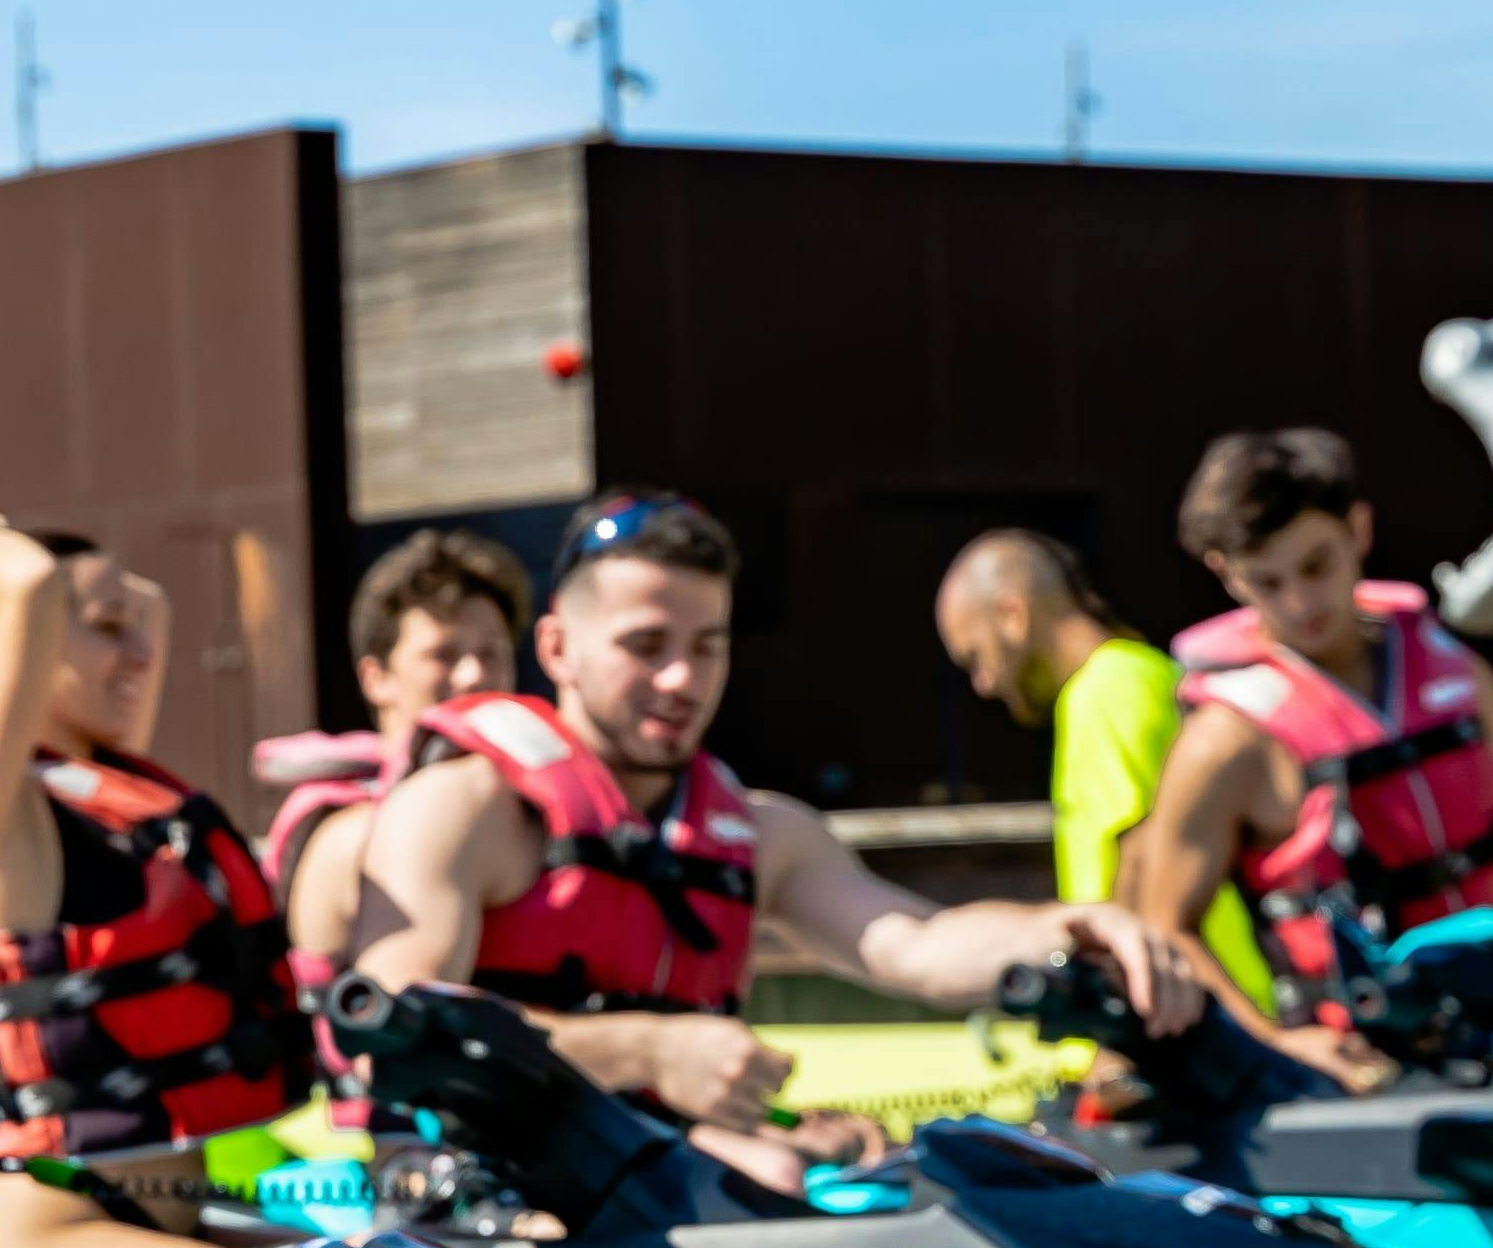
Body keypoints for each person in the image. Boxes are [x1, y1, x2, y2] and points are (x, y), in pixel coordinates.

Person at [336, 487, 1210, 1186]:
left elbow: (918, 945)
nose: (681, 679)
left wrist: (1072, 928)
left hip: (657, 1201)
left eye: (707, 646)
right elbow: (388, 1035)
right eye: (646, 645)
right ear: (558, 648)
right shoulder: (464, 809)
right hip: (484, 1224)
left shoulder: (760, 832)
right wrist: (648, 1051)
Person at [0, 511, 303, 1248]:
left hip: (167, 1222)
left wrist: (110, 597)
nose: (140, 649)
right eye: (109, 627)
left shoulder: (105, 785)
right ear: (31, 641)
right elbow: (32, 587)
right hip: (60, 1236)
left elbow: (151, 605)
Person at [1123, 424, 1493, 1066]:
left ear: (1358, 530)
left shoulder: (1458, 675)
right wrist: (1277, 1045)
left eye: (1316, 565)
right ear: (1226, 575)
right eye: (1268, 582)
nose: (1300, 602)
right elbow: (1164, 928)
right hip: (1367, 1066)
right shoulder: (1223, 742)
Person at [929, 527, 1271, 1003]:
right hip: (1203, 1005)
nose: (983, 683)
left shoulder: (1105, 689)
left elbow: (1134, 858)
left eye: (975, 657)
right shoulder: (1135, 672)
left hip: (1186, 1014)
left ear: (1012, 615)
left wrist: (1110, 1019)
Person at [264, 529, 531, 1034]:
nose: (475, 675)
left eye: (493, 653)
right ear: (377, 678)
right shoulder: (351, 833)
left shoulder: (521, 809)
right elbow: (399, 1034)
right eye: (444, 655)